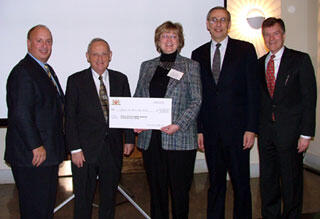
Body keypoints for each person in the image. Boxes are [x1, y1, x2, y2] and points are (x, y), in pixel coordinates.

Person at [191, 7, 260, 219]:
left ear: (228, 24)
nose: (218, 24)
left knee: (241, 185)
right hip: (211, 133)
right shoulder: (198, 54)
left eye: (223, 20)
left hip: (238, 132)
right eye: (214, 20)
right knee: (216, 185)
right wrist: (199, 130)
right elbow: (198, 96)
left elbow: (253, 92)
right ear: (207, 24)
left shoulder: (245, 50)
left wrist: (251, 128)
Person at [134, 21, 201, 219]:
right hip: (151, 140)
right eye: (165, 36)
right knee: (156, 193)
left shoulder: (191, 66)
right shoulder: (146, 66)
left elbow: (196, 100)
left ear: (180, 41)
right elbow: (139, 96)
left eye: (173, 36)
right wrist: (137, 120)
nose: (169, 40)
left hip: (179, 139)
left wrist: (178, 124)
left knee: (180, 194)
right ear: (158, 41)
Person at [65, 38, 134, 219]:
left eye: (104, 54)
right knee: (83, 200)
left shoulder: (121, 79)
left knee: (109, 199)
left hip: (112, 149)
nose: (100, 58)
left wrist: (129, 139)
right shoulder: (75, 81)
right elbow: (70, 118)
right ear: (87, 56)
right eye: (95, 54)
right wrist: (75, 149)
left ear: (110, 56)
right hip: (84, 152)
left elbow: (126, 111)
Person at [258, 17, 317, 218]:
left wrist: (306, 134)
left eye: (275, 33)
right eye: (267, 34)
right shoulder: (260, 63)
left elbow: (309, 99)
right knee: (268, 181)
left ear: (283, 34)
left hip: (291, 134)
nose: (271, 38)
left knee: (292, 182)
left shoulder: (300, 59)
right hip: (266, 134)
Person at [5, 24, 65, 219]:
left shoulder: (45, 69)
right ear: (29, 43)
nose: (44, 45)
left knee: (44, 208)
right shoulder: (23, 72)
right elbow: (20, 113)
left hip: (46, 155)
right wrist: (36, 145)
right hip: (33, 156)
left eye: (48, 41)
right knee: (35, 210)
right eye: (39, 41)